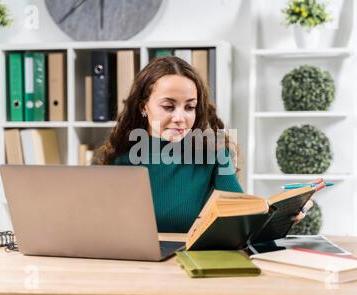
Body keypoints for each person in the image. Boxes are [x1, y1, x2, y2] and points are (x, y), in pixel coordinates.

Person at [93, 56, 325, 233]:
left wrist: (284, 212)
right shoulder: (118, 158)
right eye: (168, 106)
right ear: (144, 106)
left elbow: (241, 220)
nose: (180, 117)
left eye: (190, 107)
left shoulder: (212, 152)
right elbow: (99, 227)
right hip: (132, 269)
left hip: (188, 264)